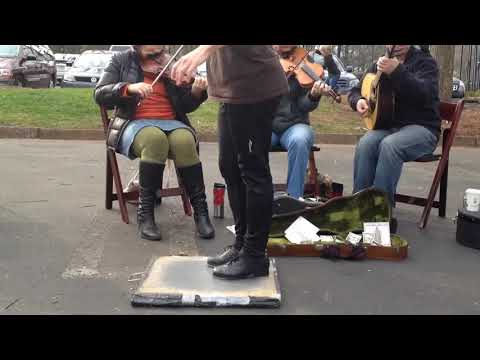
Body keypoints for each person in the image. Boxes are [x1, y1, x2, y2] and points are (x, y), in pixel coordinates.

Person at [171, 45, 288, 280]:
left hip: (255, 87)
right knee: (230, 167)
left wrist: (201, 52)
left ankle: (254, 256)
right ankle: (241, 245)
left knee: (253, 170)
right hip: (231, 90)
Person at [94, 45, 215, 241]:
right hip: (133, 123)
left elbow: (185, 105)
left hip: (171, 121)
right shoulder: (121, 60)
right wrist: (128, 88)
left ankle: (201, 213)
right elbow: (100, 94)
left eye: (160, 49)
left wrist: (195, 91)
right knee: (154, 139)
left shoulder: (170, 63)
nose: (158, 55)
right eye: (152, 51)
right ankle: (146, 216)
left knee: (185, 140)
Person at [348, 45, 440, 229]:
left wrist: (398, 71)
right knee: (366, 143)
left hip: (423, 129)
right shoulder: (378, 65)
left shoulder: (426, 63)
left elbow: (424, 95)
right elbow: (357, 90)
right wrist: (358, 101)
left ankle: (381, 213)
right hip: (390, 127)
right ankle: (359, 207)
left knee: (391, 145)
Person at [271, 45, 332, 199]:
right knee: (251, 138)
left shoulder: (304, 59)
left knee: (300, 139)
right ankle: (258, 195)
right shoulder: (260, 57)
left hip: (294, 124)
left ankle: (293, 199)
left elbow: (303, 106)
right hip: (266, 124)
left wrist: (313, 95)